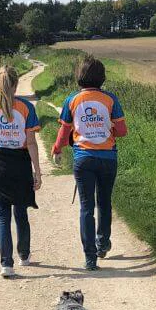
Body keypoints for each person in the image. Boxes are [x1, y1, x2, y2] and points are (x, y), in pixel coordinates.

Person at [52, 55, 127, 271]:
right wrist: (106, 129)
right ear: (102, 78)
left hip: (83, 158)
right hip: (108, 158)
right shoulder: (111, 99)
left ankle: (90, 258)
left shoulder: (72, 100)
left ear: (80, 76)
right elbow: (122, 131)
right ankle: (102, 243)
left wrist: (57, 148)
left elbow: (65, 129)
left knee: (86, 207)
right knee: (104, 202)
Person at [0, 65, 43, 278]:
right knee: (21, 213)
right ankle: (24, 255)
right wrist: (38, 172)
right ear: (15, 84)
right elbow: (32, 143)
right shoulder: (26, 108)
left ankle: (6, 264)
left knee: (1, 217)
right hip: (21, 163)